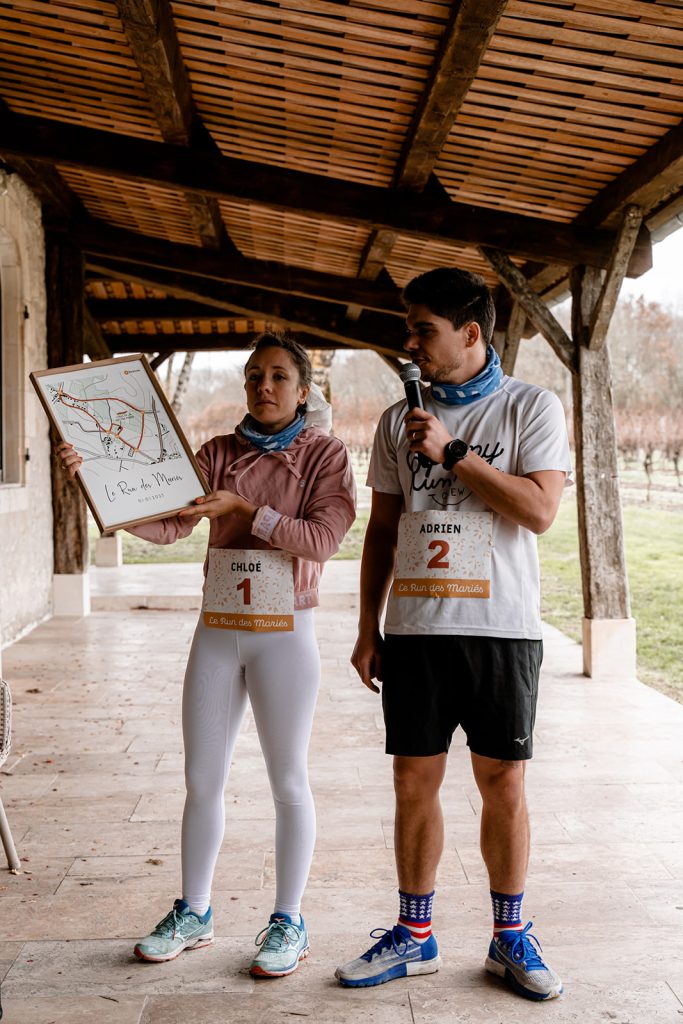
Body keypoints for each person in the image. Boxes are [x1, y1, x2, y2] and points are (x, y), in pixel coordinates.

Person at [57, 332, 356, 978]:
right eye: (253, 376)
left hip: (286, 630)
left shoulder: (326, 456)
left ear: (303, 390)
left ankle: (289, 921)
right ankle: (193, 911)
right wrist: (96, 483)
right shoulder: (217, 454)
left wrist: (248, 510)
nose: (264, 386)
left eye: (278, 376)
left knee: (287, 780)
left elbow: (323, 540)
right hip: (219, 626)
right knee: (201, 779)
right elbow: (167, 524)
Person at [335, 268, 571, 1001]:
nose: (409, 345)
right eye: (409, 329)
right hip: (415, 630)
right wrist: (367, 626)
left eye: (422, 331)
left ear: (470, 333)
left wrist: (452, 453)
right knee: (413, 779)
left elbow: (537, 511)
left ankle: (508, 936)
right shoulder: (391, 421)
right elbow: (380, 528)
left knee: (502, 780)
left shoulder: (530, 406)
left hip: (501, 628)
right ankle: (413, 935)